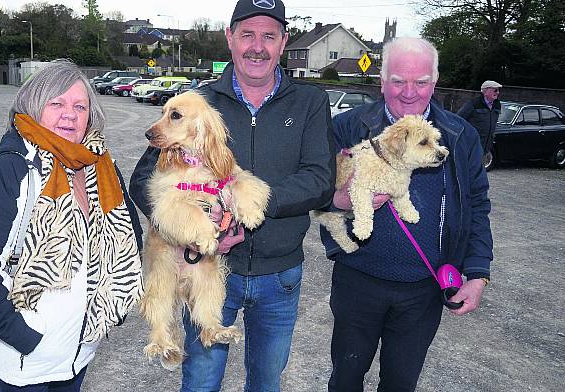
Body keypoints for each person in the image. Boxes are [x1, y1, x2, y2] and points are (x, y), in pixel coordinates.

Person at [129, 0, 334, 390]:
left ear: (284, 42)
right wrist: (184, 224)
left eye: (269, 36)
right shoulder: (199, 104)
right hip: (207, 264)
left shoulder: (310, 102)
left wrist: (240, 205)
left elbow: (320, 179)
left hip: (280, 274)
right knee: (201, 381)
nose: (257, 46)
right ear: (229, 38)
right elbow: (142, 180)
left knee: (266, 380)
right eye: (247, 35)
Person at [0, 60, 143, 391]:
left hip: (79, 355)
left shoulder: (101, 168)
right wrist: (23, 334)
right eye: (57, 103)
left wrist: (114, 305)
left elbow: (131, 238)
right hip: (24, 363)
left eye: (80, 106)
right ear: (34, 105)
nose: (70, 114)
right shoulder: (12, 171)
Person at [320, 37, 493, 392]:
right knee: (345, 379)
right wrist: (339, 200)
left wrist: (477, 274)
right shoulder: (347, 127)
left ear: (435, 80)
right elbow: (314, 193)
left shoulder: (461, 136)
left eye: (421, 81)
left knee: (401, 383)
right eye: (398, 80)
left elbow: (477, 205)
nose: (409, 92)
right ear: (382, 81)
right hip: (358, 281)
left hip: (423, 290)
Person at [457, 80, 502, 165]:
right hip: (472, 146)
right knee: (468, 170)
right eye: (495, 90)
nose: (498, 92)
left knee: (480, 172)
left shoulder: (497, 105)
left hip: (486, 147)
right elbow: (458, 119)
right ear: (485, 91)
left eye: (498, 90)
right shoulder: (473, 104)